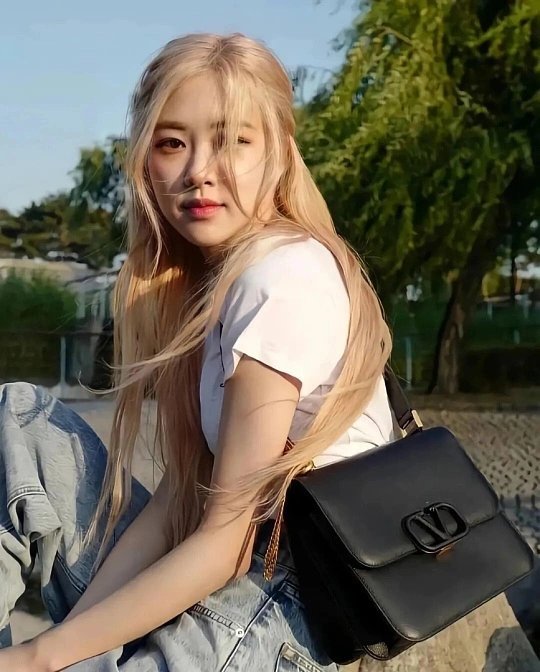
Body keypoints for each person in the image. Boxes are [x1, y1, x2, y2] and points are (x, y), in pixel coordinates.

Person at [0, 33, 396, 671]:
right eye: (172, 143)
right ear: (144, 161)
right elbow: (174, 505)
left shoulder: (280, 278)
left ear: (279, 152)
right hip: (227, 583)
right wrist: (64, 644)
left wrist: (40, 658)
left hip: (275, 614)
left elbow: (225, 544)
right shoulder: (225, 284)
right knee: (19, 418)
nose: (199, 172)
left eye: (233, 140)